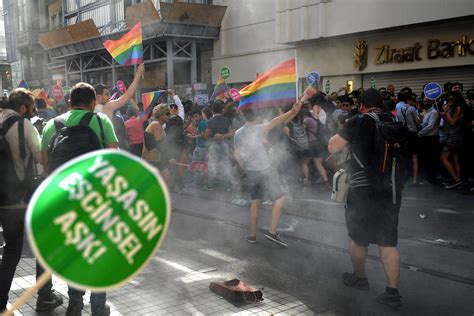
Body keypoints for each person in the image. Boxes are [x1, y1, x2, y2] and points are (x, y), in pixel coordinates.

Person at [41, 82, 118, 316]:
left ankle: (75, 300)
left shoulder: (51, 126)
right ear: (93, 103)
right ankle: (97, 306)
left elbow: (47, 168)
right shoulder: (101, 121)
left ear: (68, 103)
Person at [328, 89, 404, 309]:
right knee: (388, 241)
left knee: (359, 238)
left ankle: (360, 278)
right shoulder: (393, 120)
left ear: (361, 105)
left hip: (363, 189)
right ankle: (392, 292)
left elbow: (333, 146)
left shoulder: (358, 121)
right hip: (392, 189)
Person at [0, 88, 63, 313]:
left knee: (11, 250)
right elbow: (40, 156)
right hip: (22, 198)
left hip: (2, 201)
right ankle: (45, 296)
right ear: (23, 107)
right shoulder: (22, 124)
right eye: (31, 109)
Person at [234, 101, 302, 248]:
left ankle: (252, 235)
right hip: (265, 170)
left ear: (243, 116)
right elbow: (276, 121)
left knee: (255, 202)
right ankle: (272, 232)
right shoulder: (259, 129)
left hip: (251, 171)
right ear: (256, 115)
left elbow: (237, 154)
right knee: (280, 198)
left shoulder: (238, 133)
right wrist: (291, 111)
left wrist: (243, 167)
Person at [94, 63, 145, 150]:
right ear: (98, 96)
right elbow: (128, 95)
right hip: (109, 149)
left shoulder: (88, 108)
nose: (109, 97)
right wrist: (138, 75)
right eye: (106, 94)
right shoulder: (106, 107)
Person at [439, 91, 466, 189]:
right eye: (448, 100)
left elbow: (452, 122)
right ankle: (457, 181)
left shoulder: (458, 108)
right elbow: (447, 119)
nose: (450, 101)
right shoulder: (455, 108)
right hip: (456, 135)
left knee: (443, 158)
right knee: (455, 159)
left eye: (451, 99)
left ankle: (456, 179)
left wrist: (446, 112)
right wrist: (443, 113)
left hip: (454, 136)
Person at [205, 101, 234, 190]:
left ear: (213, 111)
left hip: (214, 145)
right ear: (221, 110)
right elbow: (232, 133)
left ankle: (211, 185)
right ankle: (228, 185)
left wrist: (210, 138)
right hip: (225, 145)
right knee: (226, 164)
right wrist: (223, 136)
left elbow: (206, 135)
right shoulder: (227, 120)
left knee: (212, 164)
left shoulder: (210, 121)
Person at [142, 104, 173, 186]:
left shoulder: (159, 125)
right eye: (167, 114)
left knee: (166, 180)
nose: (169, 116)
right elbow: (160, 144)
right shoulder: (156, 124)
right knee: (164, 180)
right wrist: (169, 158)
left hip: (156, 159)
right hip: (151, 160)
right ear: (161, 114)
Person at [396, 88, 420, 184]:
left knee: (404, 156)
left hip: (403, 134)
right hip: (412, 133)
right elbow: (417, 121)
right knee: (414, 157)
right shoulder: (412, 108)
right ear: (409, 100)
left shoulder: (398, 109)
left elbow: (398, 121)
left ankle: (403, 178)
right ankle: (414, 180)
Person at [418, 97, 440, 184]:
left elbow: (430, 126)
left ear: (432, 102)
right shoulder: (426, 112)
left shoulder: (434, 112)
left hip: (432, 139)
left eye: (427, 101)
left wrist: (420, 132)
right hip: (426, 138)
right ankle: (429, 178)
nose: (425, 103)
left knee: (431, 159)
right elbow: (423, 123)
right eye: (424, 101)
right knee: (427, 159)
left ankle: (432, 179)